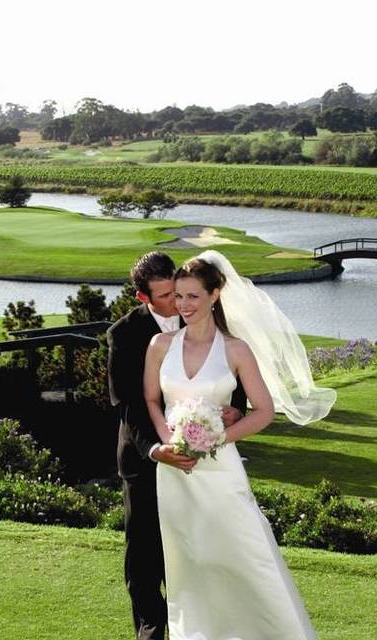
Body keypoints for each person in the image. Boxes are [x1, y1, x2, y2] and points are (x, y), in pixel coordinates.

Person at [143, 251, 335, 640]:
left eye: (194, 296)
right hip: (174, 474)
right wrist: (170, 443)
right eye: (179, 297)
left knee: (245, 556)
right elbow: (151, 399)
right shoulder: (159, 345)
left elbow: (263, 412)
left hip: (220, 471)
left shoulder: (235, 350)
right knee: (190, 562)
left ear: (215, 295)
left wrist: (216, 438)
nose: (184, 305)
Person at [107, 251, 247, 640]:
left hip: (204, 459)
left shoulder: (208, 314)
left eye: (180, 291)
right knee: (145, 553)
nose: (178, 303)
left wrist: (232, 413)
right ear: (143, 298)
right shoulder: (124, 334)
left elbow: (226, 374)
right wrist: (157, 449)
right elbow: (130, 404)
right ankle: (151, 630)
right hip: (144, 460)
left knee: (201, 547)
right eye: (166, 296)